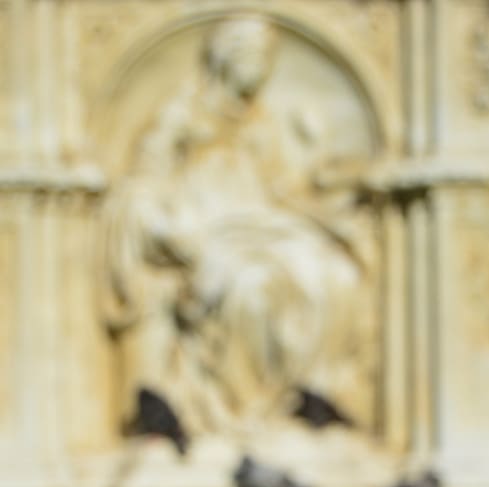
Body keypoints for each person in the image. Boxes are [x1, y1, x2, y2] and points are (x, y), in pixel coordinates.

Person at [100, 15, 371, 442]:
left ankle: (308, 398)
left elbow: (282, 190)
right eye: (253, 59)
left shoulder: (263, 121)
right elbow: (144, 181)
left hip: (265, 226)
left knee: (338, 276)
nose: (260, 70)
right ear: (228, 60)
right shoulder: (183, 116)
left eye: (266, 60)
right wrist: (172, 227)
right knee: (252, 287)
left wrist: (335, 211)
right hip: (210, 231)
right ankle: (247, 411)